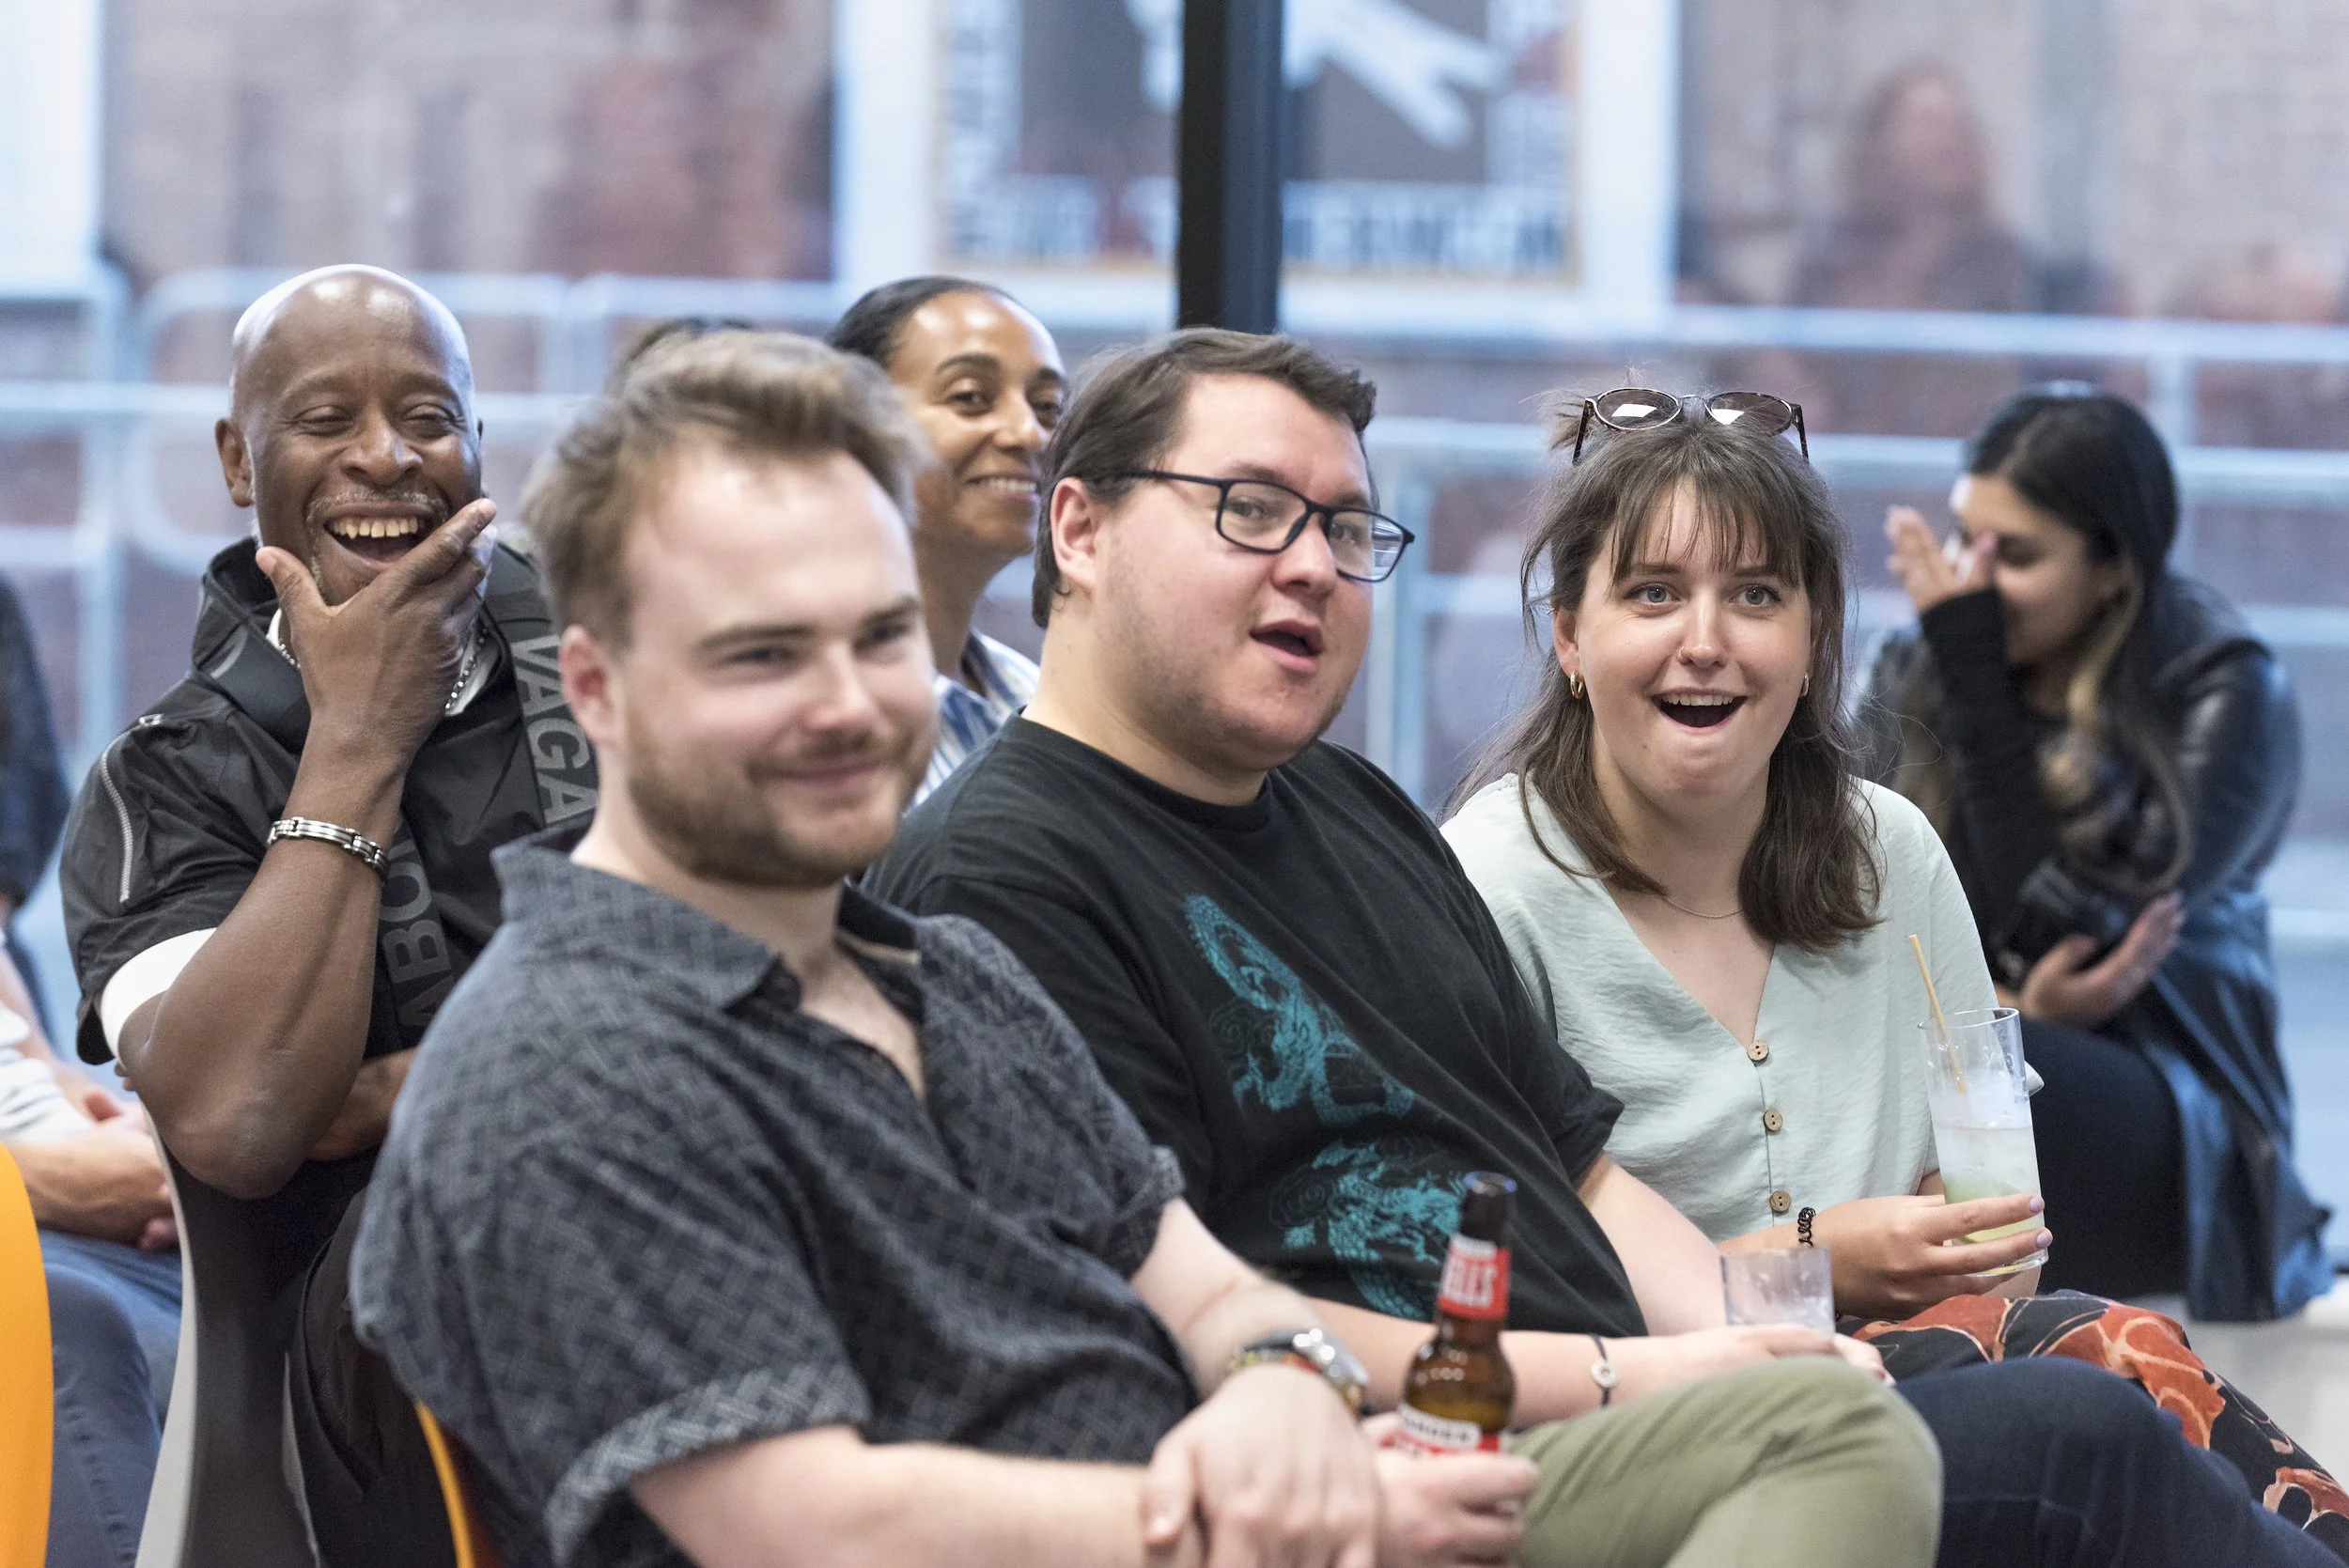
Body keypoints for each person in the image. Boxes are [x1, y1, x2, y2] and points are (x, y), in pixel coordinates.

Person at [352, 328, 1945, 1568]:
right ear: (599, 686)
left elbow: (1215, 1294)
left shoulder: (930, 976)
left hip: (1293, 1498)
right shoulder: (569, 1058)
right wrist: (1279, 1503)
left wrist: (1282, 1395)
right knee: (1873, 1443)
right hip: (1201, 1536)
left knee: (1843, 1429)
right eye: (763, 653)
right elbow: (809, 1524)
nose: (847, 703)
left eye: (881, 636)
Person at [864, 326, 2346, 1568]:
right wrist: (1692, 1355)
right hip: (1429, 1449)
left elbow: (1580, 1174)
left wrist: (1768, 1338)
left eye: (1345, 528)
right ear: (1079, 529)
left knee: (2103, 1361)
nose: (1311, 565)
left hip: (1630, 1388)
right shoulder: (1005, 872)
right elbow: (1174, 1317)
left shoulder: (1347, 809)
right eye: (1250, 510)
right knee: (2071, 1437)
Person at [1440, 392, 2347, 1554]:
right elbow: (1502, 1290)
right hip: (1641, 1427)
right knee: (2092, 1401)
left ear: (1815, 638)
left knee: (2110, 1376)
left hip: (1909, 1381)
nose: (1705, 639)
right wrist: (1823, 1258)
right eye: (1653, 593)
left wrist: (1916, 1259)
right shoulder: (1486, 884)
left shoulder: (1889, 851)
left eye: (1755, 595)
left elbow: (2000, 1259)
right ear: (1568, 635)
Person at [58, 264, 599, 1567]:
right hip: (372, 1349)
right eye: (324, 420)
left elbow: (774, 974)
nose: (385, 457)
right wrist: (359, 738)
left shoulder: (614, 663)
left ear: (478, 445)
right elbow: (243, 1119)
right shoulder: (166, 777)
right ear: (239, 459)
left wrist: (376, 1088)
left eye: (428, 417)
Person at [1859, 387, 2331, 1324]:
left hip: (2175, 1123)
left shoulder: (2221, 686)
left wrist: (1972, 675)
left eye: (2016, 554)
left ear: (2113, 564)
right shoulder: (1922, 658)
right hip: (1984, 1043)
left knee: (1986, 1066)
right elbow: (1848, 899)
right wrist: (2008, 1003)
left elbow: (2061, 933)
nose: (1972, 578)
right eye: (1964, 536)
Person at [828, 276, 1066, 800]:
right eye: (971, 398)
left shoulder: (1032, 695)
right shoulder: (820, 712)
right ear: (852, 428)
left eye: (1048, 407)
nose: (1029, 433)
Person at [1, 944, 178, 1568]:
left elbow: (37, 1066)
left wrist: (130, 1137)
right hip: (33, 1234)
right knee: (55, 1321)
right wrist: (46, 1180)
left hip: (114, 1207)